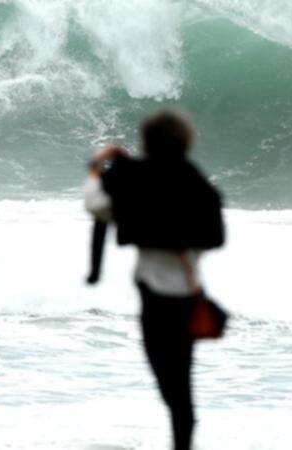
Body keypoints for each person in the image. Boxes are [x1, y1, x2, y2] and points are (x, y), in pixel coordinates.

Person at [84, 111, 225, 450]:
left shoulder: (133, 177)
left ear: (146, 141)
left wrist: (94, 168)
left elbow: (96, 206)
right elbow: (215, 237)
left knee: (170, 383)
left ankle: (182, 438)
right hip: (189, 293)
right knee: (179, 383)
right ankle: (183, 439)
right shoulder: (197, 182)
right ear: (186, 143)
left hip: (156, 297)